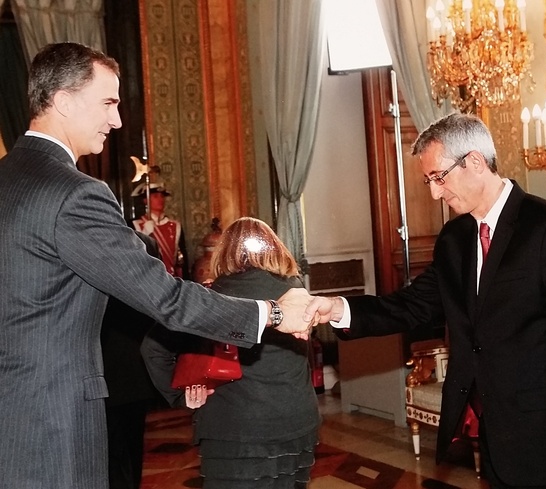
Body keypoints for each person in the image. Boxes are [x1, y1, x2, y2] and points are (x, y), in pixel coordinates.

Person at [0, 42, 315, 489]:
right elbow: (165, 298)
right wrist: (275, 313)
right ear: (64, 101)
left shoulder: (8, 178)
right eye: (108, 102)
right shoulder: (74, 193)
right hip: (54, 421)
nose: (117, 120)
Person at [304, 112, 546, 489]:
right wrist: (339, 308)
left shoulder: (543, 225)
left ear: (474, 162)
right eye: (429, 180)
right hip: (493, 428)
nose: (434, 193)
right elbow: (413, 305)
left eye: (439, 177)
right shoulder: (454, 239)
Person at [141, 217, 321, 489]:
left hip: (235, 431)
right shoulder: (298, 293)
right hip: (297, 424)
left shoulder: (211, 296)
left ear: (224, 252)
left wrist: (179, 395)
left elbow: (152, 348)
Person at [101, 231, 161, 489]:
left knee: (112, 450)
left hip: (108, 373)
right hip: (135, 374)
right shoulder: (148, 285)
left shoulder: (104, 275)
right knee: (132, 444)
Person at [132, 182, 191, 279]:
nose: (160, 199)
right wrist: (144, 233)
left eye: (162, 196)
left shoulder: (175, 226)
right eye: (155, 196)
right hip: (148, 278)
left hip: (171, 278)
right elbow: (133, 255)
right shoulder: (136, 225)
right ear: (145, 200)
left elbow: (182, 260)